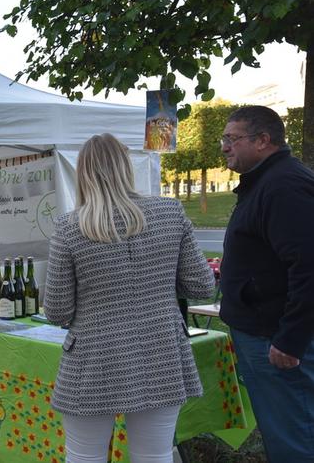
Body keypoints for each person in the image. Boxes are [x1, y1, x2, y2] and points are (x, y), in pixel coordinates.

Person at [44, 134, 215, 463]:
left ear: (83, 173)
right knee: (155, 456)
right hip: (161, 351)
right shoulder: (170, 213)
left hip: (93, 359)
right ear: (126, 168)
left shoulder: (69, 227)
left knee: (84, 457)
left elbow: (56, 310)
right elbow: (201, 286)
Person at [218, 106, 314, 462]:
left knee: (295, 434)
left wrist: (290, 340)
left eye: (232, 139)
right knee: (284, 430)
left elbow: (309, 267)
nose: (225, 147)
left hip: (277, 339)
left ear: (263, 140)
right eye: (223, 139)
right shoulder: (266, 182)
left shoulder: (283, 186)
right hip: (264, 331)